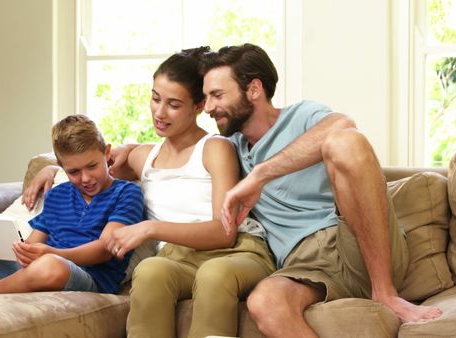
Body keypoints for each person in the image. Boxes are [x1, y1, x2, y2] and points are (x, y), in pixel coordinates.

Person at [24, 47, 275, 338]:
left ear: (198, 106)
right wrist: (51, 171)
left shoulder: (215, 149)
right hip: (178, 258)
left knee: (213, 274)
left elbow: (224, 232)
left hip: (236, 252)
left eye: (174, 104)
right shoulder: (143, 157)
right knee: (150, 270)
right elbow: (90, 165)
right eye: (155, 98)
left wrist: (151, 228)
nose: (159, 112)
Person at [197, 43, 443, 337]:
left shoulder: (302, 115)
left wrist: (260, 174)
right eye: (206, 97)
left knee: (345, 142)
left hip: (355, 243)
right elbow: (175, 147)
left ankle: (384, 292)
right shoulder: (230, 148)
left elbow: (343, 126)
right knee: (264, 302)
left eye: (217, 95)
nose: (208, 107)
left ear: (253, 90)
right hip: (304, 266)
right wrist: (130, 152)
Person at [0, 114, 144, 296]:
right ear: (61, 166)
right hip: (34, 270)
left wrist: (52, 253)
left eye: (92, 166)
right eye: (73, 171)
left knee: (51, 265)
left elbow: (105, 249)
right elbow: (32, 245)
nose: (85, 178)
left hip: (85, 276)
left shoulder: (127, 193)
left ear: (107, 153)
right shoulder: (58, 194)